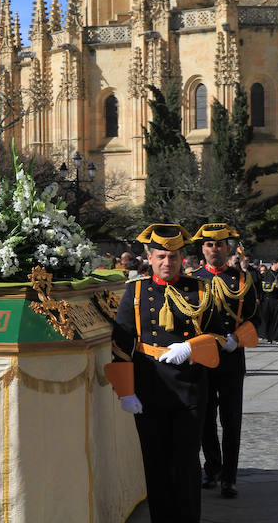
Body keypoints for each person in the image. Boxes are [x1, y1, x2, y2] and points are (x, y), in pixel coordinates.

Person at [104, 224, 223, 523]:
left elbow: (220, 336)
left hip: (190, 387)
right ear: (150, 258)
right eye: (160, 256)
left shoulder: (201, 289)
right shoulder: (135, 291)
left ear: (182, 258)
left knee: (186, 463)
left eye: (172, 257)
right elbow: (121, 342)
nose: (167, 262)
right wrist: (126, 391)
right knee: (155, 463)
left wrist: (191, 347)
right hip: (149, 386)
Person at [190, 223, 258, 500]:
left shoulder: (243, 280)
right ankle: (212, 468)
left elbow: (255, 318)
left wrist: (237, 338)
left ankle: (229, 477)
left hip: (231, 358)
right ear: (202, 249)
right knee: (204, 417)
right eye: (209, 245)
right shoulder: (192, 280)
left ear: (228, 248)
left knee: (231, 419)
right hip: (203, 358)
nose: (214, 249)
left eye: (219, 244)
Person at [259, 258, 278, 344]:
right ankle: (269, 337)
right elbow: (261, 288)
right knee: (268, 319)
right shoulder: (265, 274)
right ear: (274, 264)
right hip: (267, 300)